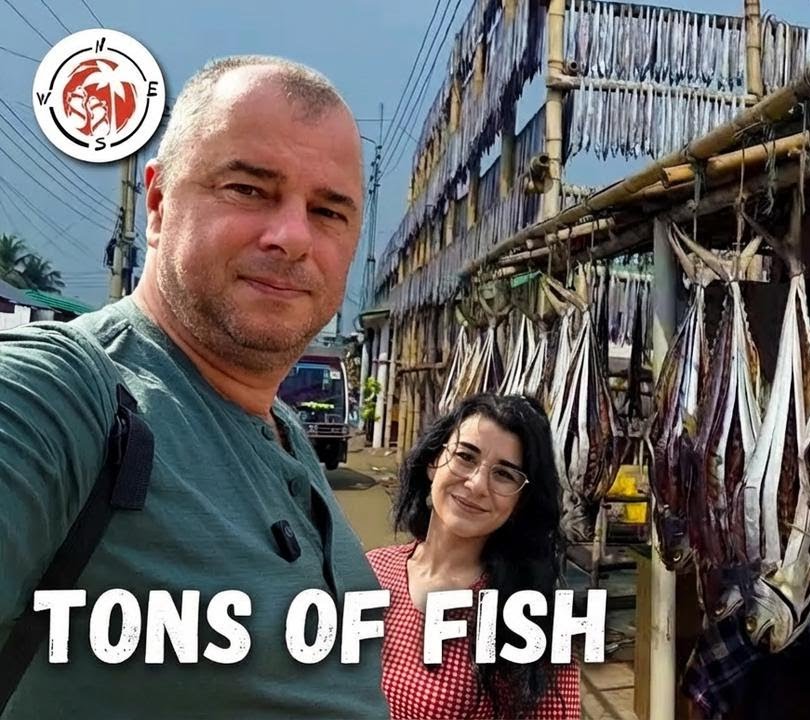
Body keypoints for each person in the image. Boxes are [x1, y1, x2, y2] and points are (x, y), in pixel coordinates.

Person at [0, 56, 388, 717]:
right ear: (157, 203)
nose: (292, 236)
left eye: (328, 210)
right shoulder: (64, 394)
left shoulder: (284, 434)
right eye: (248, 189)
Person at [367, 393, 581, 719]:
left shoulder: (531, 618)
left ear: (519, 504)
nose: (477, 483)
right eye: (466, 456)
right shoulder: (372, 571)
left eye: (505, 474)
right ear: (432, 461)